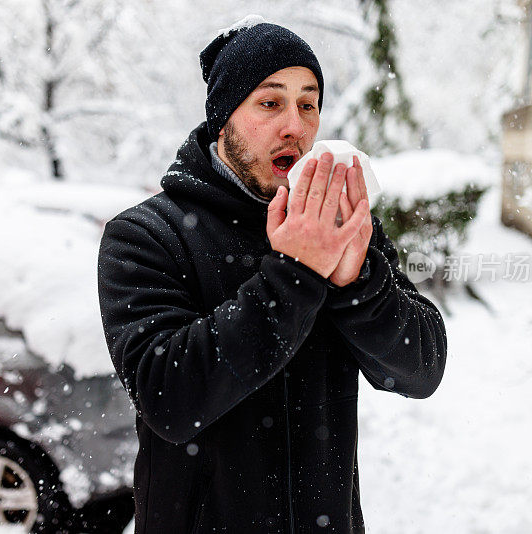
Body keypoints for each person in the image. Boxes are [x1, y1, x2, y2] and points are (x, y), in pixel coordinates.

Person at [97, 19, 447, 534]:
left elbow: (422, 370)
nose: (295, 126)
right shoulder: (146, 236)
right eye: (270, 102)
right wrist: (295, 276)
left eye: (308, 104)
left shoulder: (339, 226)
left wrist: (358, 284)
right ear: (223, 120)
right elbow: (169, 399)